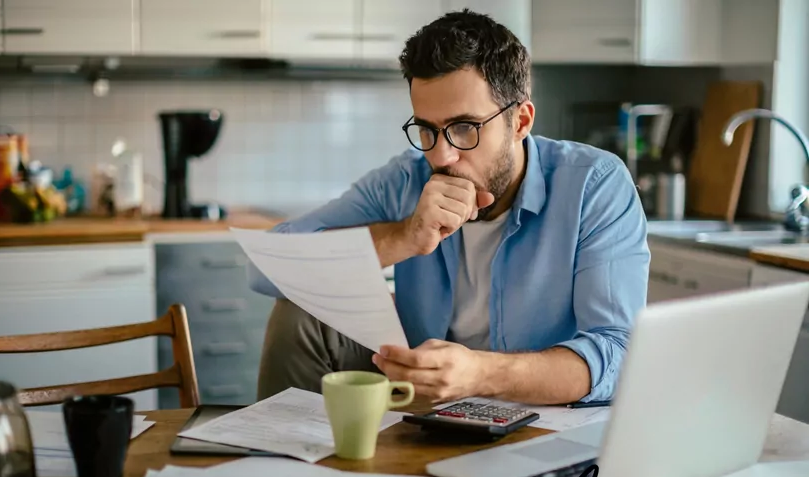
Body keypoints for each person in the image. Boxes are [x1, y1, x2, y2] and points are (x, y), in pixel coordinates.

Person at [249, 9, 650, 405]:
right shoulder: (405, 180)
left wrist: (479, 374)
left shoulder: (593, 185)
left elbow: (619, 354)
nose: (441, 155)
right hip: (420, 395)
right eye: (426, 129)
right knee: (299, 311)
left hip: (539, 410)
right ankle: (290, 461)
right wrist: (403, 236)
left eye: (465, 128)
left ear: (521, 122)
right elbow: (266, 268)